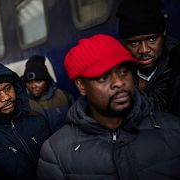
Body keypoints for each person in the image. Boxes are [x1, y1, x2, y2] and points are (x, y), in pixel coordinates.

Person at [37, 34, 180, 179]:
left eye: (123, 71)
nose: (119, 82)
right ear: (81, 86)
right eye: (103, 77)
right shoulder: (57, 154)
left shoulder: (174, 131)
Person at [116, 0, 180, 114]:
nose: (144, 50)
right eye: (134, 43)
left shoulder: (176, 68)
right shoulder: (116, 76)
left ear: (164, 34)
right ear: (123, 43)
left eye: (152, 39)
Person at [22, 55, 74, 133]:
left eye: (38, 81)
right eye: (29, 82)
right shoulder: (24, 104)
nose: (33, 86)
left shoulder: (64, 97)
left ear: (47, 81)